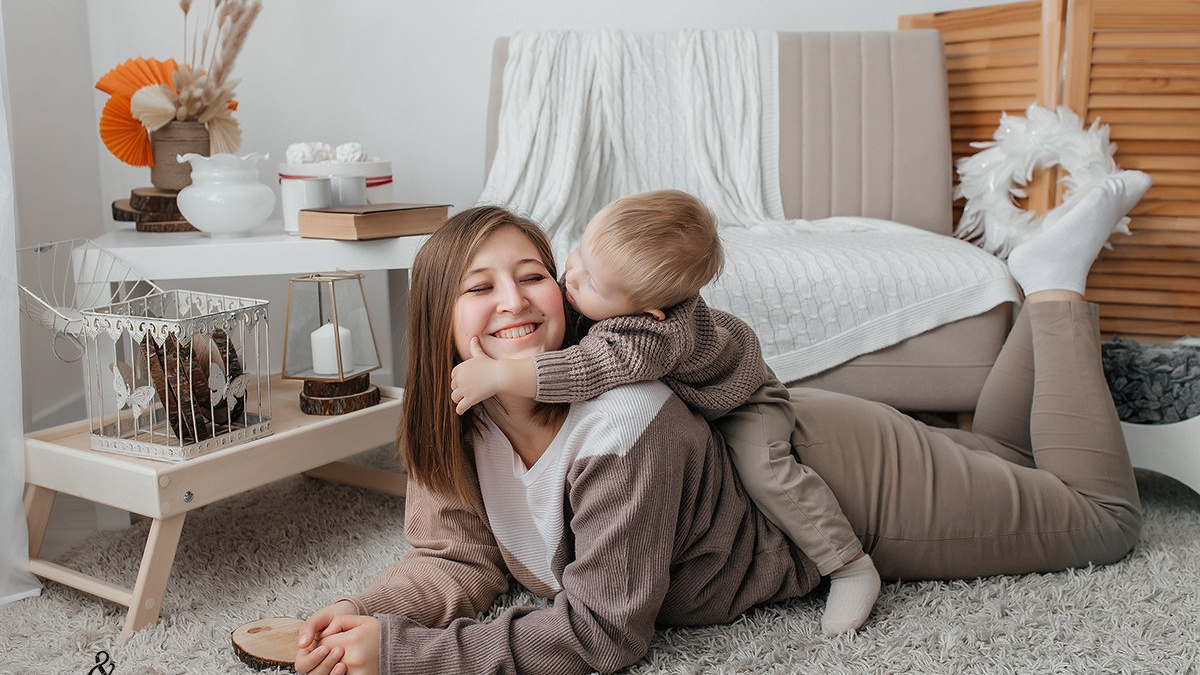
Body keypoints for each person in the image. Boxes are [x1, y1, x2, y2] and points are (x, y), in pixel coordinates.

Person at [295, 170, 1150, 675]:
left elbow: (602, 632)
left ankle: (1054, 285)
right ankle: (1038, 285)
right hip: (784, 457)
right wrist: (361, 613)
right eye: (481, 288)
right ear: (439, 320)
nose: (515, 301)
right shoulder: (460, 416)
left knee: (1101, 522)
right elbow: (456, 555)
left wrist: (408, 657)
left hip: (841, 486)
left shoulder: (625, 417)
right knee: (1004, 455)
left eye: (532, 275)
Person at [448, 188, 880, 635]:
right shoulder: (594, 290)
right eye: (576, 253)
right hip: (691, 390)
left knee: (767, 473)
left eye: (592, 284)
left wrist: (500, 375)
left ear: (646, 310)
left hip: (744, 399)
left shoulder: (652, 335)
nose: (570, 278)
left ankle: (847, 563)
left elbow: (588, 367)